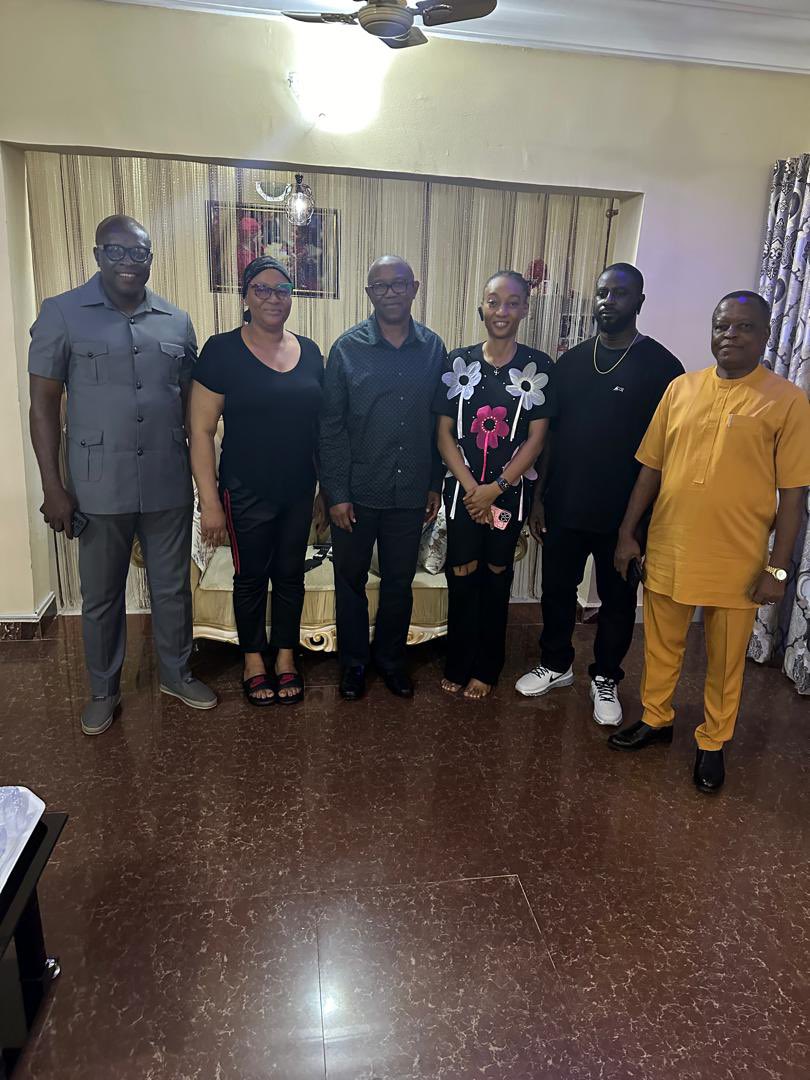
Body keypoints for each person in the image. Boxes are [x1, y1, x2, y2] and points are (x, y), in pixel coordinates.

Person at [611, 291, 810, 792]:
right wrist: (628, 533)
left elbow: (793, 495)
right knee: (661, 645)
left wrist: (778, 568)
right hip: (670, 545)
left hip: (737, 558)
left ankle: (714, 741)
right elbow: (650, 468)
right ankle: (656, 718)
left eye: (744, 327)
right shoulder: (681, 389)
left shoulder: (787, 400)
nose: (730, 335)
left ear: (765, 335)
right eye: (722, 326)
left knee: (725, 658)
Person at [28, 214, 217, 736]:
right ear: (97, 255)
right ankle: (103, 690)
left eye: (139, 253)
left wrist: (204, 483)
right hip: (96, 485)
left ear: (151, 258)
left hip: (166, 480)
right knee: (102, 594)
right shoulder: (63, 313)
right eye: (115, 251)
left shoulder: (176, 321)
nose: (128, 262)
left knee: (173, 588)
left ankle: (177, 674)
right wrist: (52, 486)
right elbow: (42, 405)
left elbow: (191, 407)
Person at [515, 264, 683, 725]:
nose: (608, 302)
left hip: (624, 517)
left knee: (617, 601)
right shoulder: (570, 363)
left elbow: (665, 455)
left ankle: (606, 676)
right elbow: (550, 438)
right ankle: (556, 664)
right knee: (556, 591)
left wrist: (639, 526)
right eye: (602, 293)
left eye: (620, 294)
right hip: (565, 505)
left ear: (639, 302)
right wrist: (540, 498)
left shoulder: (664, 368)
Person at [189, 257, 324, 706]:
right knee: (250, 578)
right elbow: (201, 431)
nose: (273, 298)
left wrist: (325, 489)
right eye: (262, 289)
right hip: (245, 488)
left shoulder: (311, 352)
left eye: (282, 289)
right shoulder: (222, 351)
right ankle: (252, 660)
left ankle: (285, 657)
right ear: (245, 296)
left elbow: (321, 429)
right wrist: (210, 501)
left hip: (299, 488)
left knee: (290, 575)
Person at [319, 255, 447, 701]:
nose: (390, 292)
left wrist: (434, 483)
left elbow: (439, 423)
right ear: (369, 292)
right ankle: (353, 664)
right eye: (381, 285)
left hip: (410, 492)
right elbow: (330, 427)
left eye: (399, 284)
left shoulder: (434, 349)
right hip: (355, 493)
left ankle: (392, 661)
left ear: (415, 288)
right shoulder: (346, 349)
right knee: (350, 582)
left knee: (398, 583)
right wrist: (335, 493)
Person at [434, 271, 555, 699]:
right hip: (463, 495)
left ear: (524, 309)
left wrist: (496, 488)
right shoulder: (458, 362)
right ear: (481, 308)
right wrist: (475, 489)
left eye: (512, 302)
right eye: (493, 301)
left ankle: (488, 666)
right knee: (462, 571)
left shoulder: (539, 367)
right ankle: (458, 660)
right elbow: (444, 433)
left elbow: (537, 439)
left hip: (510, 494)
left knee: (496, 574)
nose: (502, 310)